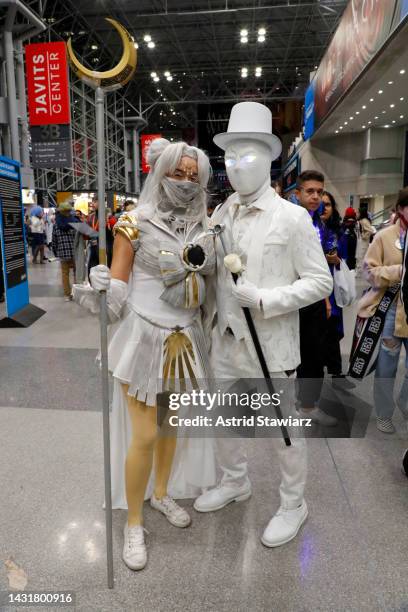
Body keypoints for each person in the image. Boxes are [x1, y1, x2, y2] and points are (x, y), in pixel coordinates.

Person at [193, 102, 333, 547]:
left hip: (269, 343)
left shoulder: (292, 218)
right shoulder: (219, 215)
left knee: (282, 428)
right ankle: (235, 480)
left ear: (269, 160)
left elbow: (320, 281)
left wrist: (267, 298)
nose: (237, 167)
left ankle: (293, 502)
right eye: (230, 158)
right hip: (226, 339)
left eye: (248, 157)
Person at [74, 139, 216, 570]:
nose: (186, 182)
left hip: (184, 339)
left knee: (169, 425)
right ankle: (133, 522)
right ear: (160, 173)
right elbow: (116, 294)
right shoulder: (133, 223)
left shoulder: (205, 227)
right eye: (178, 173)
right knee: (147, 434)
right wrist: (98, 288)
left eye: (194, 176)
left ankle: (159, 495)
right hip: (141, 338)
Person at [358, 187, 408, 433]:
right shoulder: (385, 236)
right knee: (387, 366)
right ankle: (384, 413)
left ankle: (405, 402)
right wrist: (398, 271)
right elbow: (368, 272)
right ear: (400, 209)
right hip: (390, 310)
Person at [294, 172, 337, 426]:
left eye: (319, 192)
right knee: (289, 355)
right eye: (309, 191)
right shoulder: (288, 221)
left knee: (314, 354)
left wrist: (326, 299)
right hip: (291, 297)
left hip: (314, 300)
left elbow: (320, 267)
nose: (315, 197)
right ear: (297, 193)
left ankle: (309, 405)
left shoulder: (319, 224)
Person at [320, 192, 355, 389]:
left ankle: (336, 372)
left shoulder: (338, 232)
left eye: (328, 204)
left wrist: (336, 259)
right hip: (311, 290)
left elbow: (345, 258)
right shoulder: (306, 227)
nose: (324, 208)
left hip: (333, 290)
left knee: (333, 330)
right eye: (321, 205)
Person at [52, 200, 79, 301]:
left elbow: (54, 240)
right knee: (76, 273)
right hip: (75, 252)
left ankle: (67, 295)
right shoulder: (75, 223)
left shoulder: (56, 225)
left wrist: (55, 252)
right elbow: (79, 239)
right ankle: (77, 293)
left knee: (65, 274)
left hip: (63, 253)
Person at [357, 207, 376, 274]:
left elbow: (370, 230)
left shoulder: (364, 221)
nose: (357, 213)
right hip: (361, 241)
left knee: (361, 256)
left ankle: (361, 271)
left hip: (363, 242)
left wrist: (363, 236)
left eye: (358, 212)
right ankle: (361, 270)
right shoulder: (362, 220)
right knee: (360, 256)